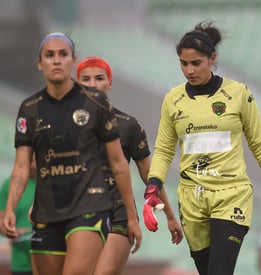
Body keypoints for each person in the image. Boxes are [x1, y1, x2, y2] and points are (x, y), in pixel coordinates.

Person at [141, 20, 261, 275]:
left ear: (212, 58)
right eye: (183, 63)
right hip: (192, 199)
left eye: (196, 63)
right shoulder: (173, 99)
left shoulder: (238, 93)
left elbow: (259, 143)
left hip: (231, 194)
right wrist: (152, 189)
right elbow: (163, 150)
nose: (189, 70)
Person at [1, 32, 141, 275]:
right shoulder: (30, 109)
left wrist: (131, 216)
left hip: (89, 205)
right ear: (39, 63)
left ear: (72, 61)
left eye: (63, 54)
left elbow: (118, 163)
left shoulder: (96, 102)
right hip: (47, 211)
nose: (56, 60)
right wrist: (11, 208)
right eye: (49, 55)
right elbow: (22, 168)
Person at [76, 56, 183, 275]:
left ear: (110, 83)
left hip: (119, 213)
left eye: (99, 78)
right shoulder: (65, 123)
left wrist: (170, 216)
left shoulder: (128, 125)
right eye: (86, 79)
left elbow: (149, 175)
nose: (93, 84)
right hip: (77, 212)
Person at [0, 156, 36, 275]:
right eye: (27, 160)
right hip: (21, 263)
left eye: (34, 160)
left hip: (48, 258)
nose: (31, 165)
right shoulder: (9, 186)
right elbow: (1, 222)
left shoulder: (50, 184)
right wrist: (10, 230)